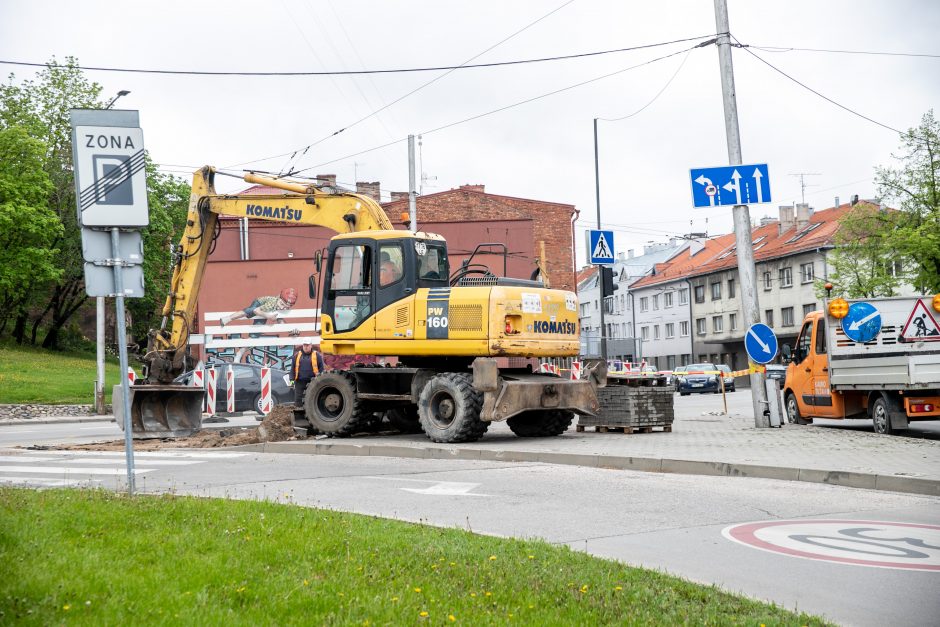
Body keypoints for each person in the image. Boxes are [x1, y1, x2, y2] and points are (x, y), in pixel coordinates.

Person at [220, 287, 297, 326]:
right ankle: (228, 318)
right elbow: (256, 310)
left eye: (286, 307)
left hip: (268, 311)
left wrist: (291, 330)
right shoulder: (271, 304)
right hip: (259, 303)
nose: (283, 308)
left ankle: (241, 351)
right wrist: (268, 316)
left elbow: (280, 320)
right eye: (282, 304)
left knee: (256, 331)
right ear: (278, 298)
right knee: (249, 311)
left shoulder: (280, 308)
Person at [291, 337, 325, 406]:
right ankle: (299, 414)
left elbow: (321, 369)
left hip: (313, 382)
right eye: (304, 345)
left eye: (307, 345)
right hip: (299, 382)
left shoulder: (317, 355)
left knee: (312, 400)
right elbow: (292, 368)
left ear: (311, 345)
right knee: (298, 401)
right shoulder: (297, 356)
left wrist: (321, 379)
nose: (306, 347)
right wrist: (291, 379)